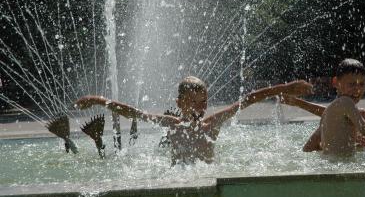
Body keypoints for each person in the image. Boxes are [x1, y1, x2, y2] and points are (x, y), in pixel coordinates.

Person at [75, 76, 313, 165]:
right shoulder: (171, 123)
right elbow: (133, 113)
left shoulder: (214, 123)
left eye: (204, 101)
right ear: (180, 104)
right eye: (194, 102)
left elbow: (249, 99)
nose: (201, 107)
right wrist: (98, 100)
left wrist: (287, 87)